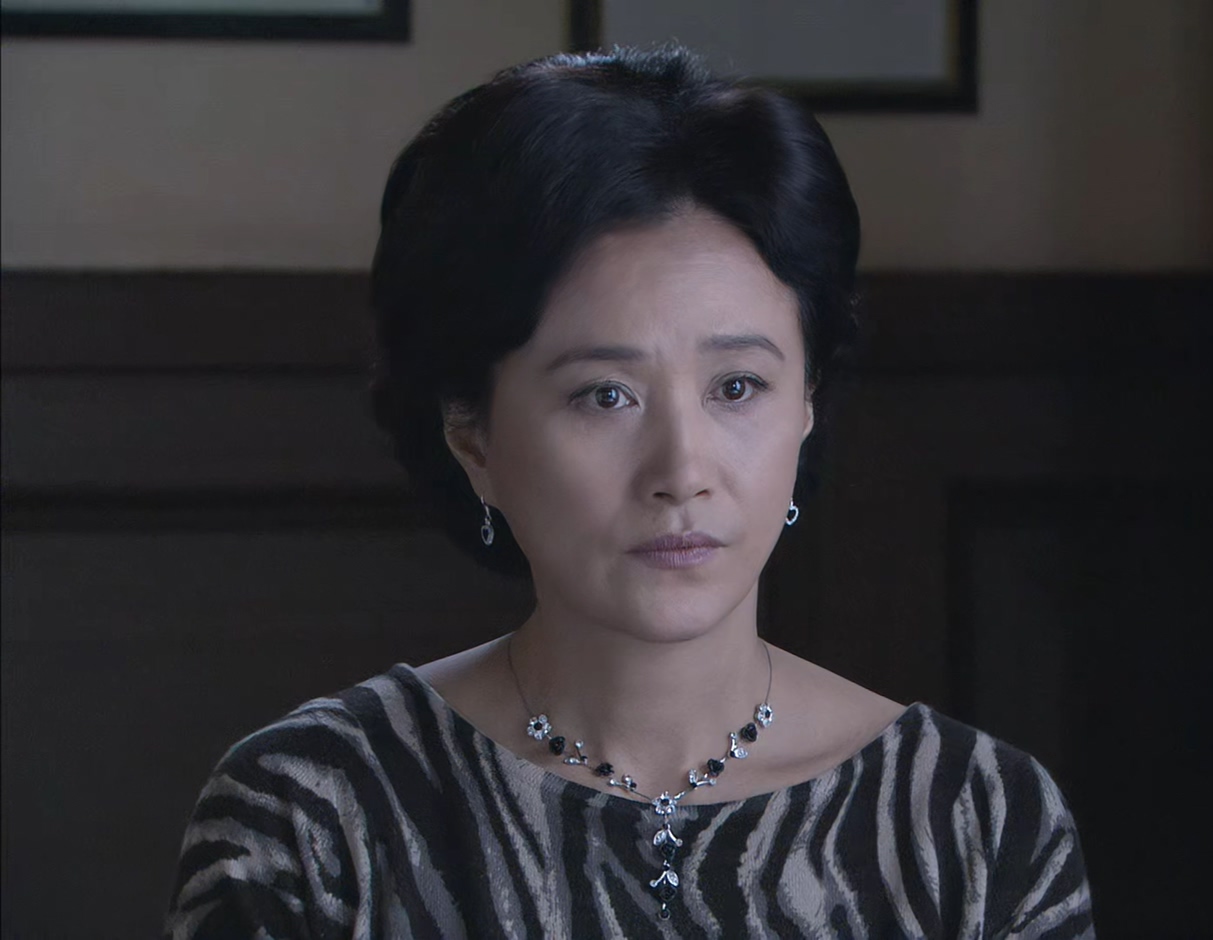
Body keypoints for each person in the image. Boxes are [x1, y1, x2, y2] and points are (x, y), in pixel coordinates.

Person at [163, 46, 1093, 939]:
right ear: (471, 434)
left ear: (807, 402)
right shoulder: (310, 815)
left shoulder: (973, 822)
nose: (682, 470)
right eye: (605, 396)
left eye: (738, 387)